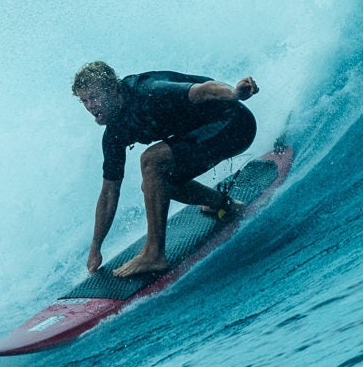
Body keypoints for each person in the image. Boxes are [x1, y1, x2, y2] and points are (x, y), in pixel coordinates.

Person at [71, 60, 259, 278]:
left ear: (113, 89)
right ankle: (224, 205)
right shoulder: (114, 133)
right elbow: (109, 192)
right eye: (84, 100)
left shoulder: (148, 91)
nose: (90, 106)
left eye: (94, 97)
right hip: (205, 135)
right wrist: (96, 247)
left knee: (151, 161)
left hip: (235, 125)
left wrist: (235, 93)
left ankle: (154, 255)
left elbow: (203, 90)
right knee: (154, 186)